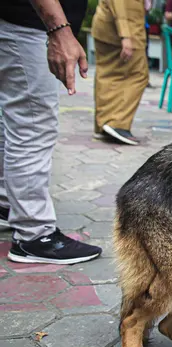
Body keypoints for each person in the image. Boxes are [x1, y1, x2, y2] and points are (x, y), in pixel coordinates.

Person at [0, 0, 102, 264]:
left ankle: (7, 204)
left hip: (17, 22)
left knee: (11, 121)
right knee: (32, 126)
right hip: (26, 25)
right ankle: (34, 235)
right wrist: (59, 30)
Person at [91, 0, 150, 145]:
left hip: (106, 24)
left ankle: (103, 124)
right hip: (124, 30)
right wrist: (126, 36)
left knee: (106, 74)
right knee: (139, 75)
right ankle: (117, 123)